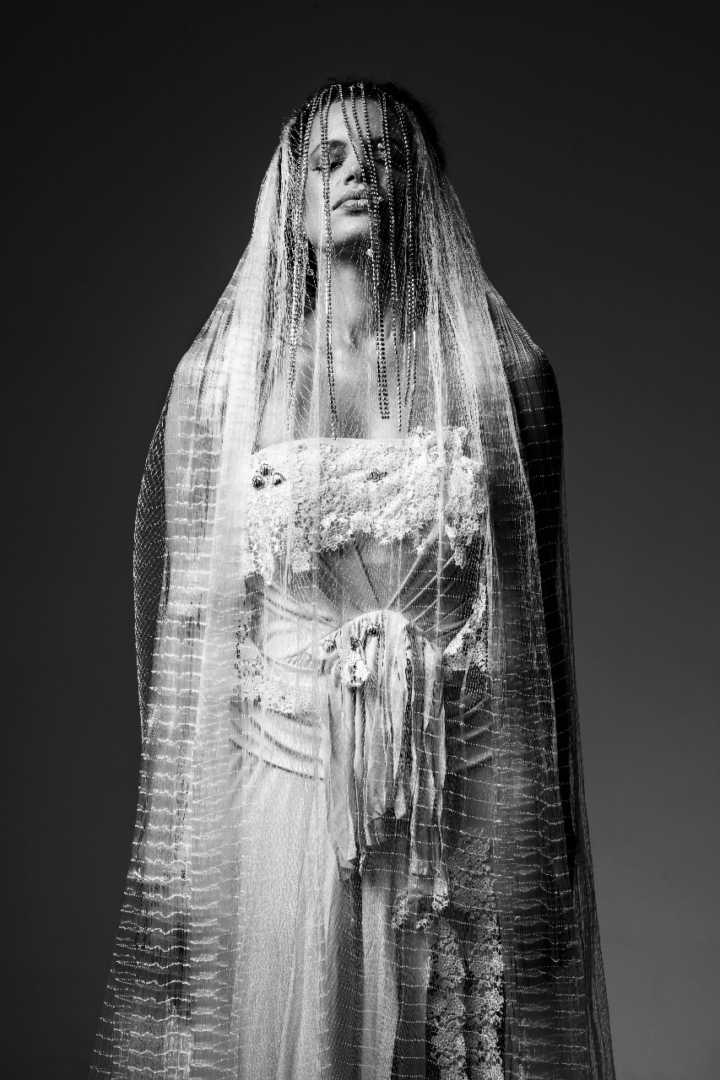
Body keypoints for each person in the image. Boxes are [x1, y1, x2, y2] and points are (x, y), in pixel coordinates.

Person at [90, 79, 616, 1080]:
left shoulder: (505, 378)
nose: (355, 175)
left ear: (425, 192)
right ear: (287, 197)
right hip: (276, 801)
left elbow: (528, 641)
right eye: (327, 158)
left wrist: (537, 854)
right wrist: (171, 878)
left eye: (382, 157)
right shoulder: (218, 387)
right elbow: (191, 637)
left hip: (456, 799)